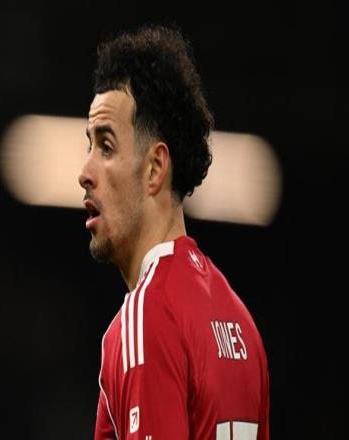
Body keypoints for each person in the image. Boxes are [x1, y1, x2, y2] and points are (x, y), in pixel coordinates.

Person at [78, 24, 270, 440]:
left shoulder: (145, 318)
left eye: (106, 147)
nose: (85, 172)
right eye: (88, 146)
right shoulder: (241, 323)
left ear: (154, 168)